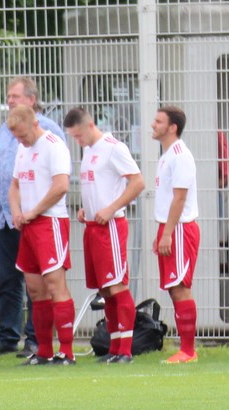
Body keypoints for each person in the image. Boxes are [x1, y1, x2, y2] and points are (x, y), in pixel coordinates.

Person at [63, 106, 146, 363]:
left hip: (110, 227)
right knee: (105, 290)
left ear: (89, 126)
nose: (78, 141)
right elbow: (97, 187)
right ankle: (114, 347)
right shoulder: (89, 151)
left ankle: (126, 350)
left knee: (117, 285)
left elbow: (138, 182)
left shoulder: (113, 147)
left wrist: (111, 207)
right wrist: (84, 209)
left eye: (78, 136)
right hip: (92, 227)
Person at [0, 76, 60, 355]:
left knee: (37, 282)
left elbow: (56, 176)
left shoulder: (49, 130)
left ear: (31, 99)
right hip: (5, 213)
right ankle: (7, 336)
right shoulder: (6, 128)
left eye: (15, 96)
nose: (10, 101)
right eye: (8, 96)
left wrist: (31, 209)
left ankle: (35, 338)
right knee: (7, 279)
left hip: (32, 216)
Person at [7, 103, 76, 365]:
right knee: (35, 290)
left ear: (35, 124)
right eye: (16, 137)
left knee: (55, 284)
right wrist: (16, 211)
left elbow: (60, 187)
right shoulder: (22, 150)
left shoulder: (53, 145)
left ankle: (67, 351)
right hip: (29, 225)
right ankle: (44, 350)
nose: (21, 141)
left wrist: (34, 211)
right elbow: (14, 186)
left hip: (50, 223)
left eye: (23, 135)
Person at [152, 105, 200, 364]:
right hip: (170, 227)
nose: (153, 125)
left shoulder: (180, 155)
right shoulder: (166, 155)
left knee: (181, 288)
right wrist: (161, 231)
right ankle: (186, 348)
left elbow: (180, 199)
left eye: (158, 121)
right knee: (174, 288)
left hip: (180, 228)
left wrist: (168, 233)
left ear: (172, 127)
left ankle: (188, 351)